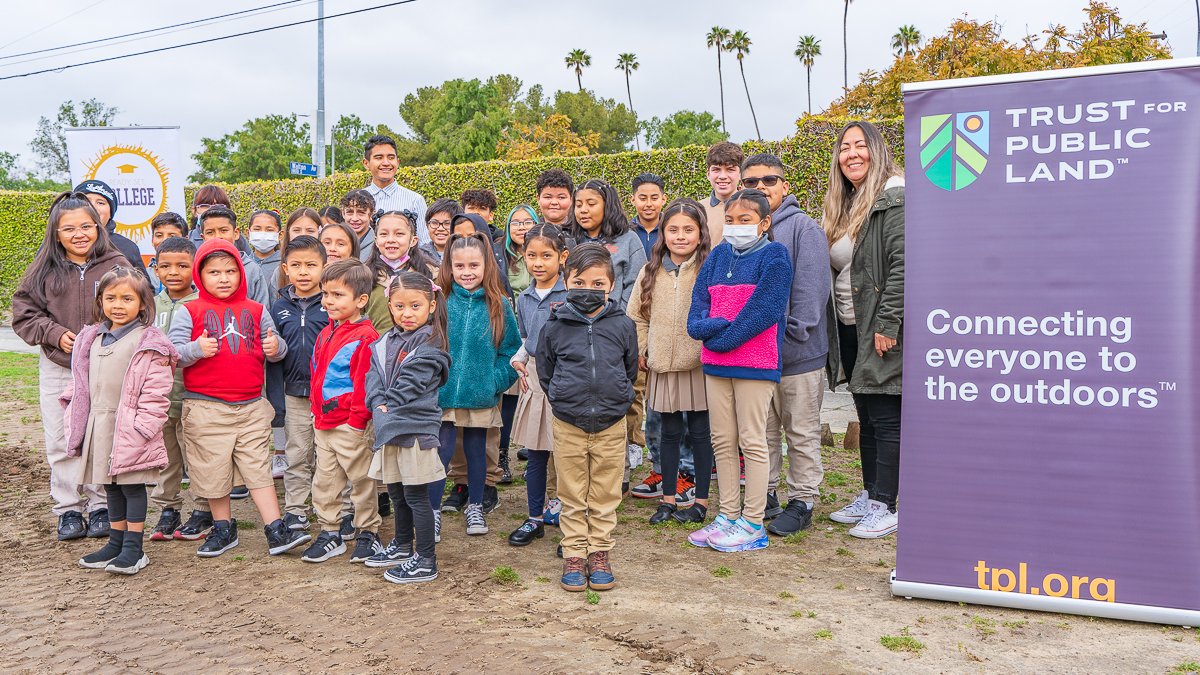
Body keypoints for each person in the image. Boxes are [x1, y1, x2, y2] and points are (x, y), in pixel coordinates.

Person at [167, 239, 310, 558]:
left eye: (230, 271)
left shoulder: (257, 310)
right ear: (199, 275)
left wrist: (277, 350)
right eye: (214, 271)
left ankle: (276, 529)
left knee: (258, 468)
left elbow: (275, 347)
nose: (223, 277)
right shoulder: (188, 311)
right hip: (205, 408)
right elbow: (174, 353)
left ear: (241, 274)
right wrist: (196, 350)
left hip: (251, 407)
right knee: (212, 470)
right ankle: (223, 528)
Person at [12, 192, 132, 541]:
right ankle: (67, 508)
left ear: (98, 226)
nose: (79, 234)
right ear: (56, 233)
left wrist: (112, 335)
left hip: (106, 365)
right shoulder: (44, 269)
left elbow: (137, 306)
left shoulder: (116, 263)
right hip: (58, 367)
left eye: (86, 225)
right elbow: (24, 314)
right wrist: (53, 334)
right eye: (69, 229)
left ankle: (99, 506)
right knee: (62, 437)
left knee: (100, 434)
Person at [686, 189, 792, 553]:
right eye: (730, 220)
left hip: (755, 363)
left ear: (763, 223)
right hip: (716, 364)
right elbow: (696, 312)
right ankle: (728, 515)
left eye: (744, 220)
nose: (735, 226)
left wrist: (721, 335)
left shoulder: (775, 256)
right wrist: (711, 331)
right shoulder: (717, 256)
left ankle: (752, 522)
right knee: (722, 440)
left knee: (752, 440)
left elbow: (764, 311)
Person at [737, 153, 831, 537]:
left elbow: (811, 291)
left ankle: (803, 499)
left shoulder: (804, 229)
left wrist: (792, 336)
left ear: (784, 186)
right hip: (756, 356)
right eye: (752, 182)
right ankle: (768, 492)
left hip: (797, 353)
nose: (761, 187)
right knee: (763, 431)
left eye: (769, 180)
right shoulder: (743, 231)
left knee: (801, 431)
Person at [538, 243, 638, 592]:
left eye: (598, 284)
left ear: (611, 286)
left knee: (606, 492)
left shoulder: (623, 325)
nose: (589, 289)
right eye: (580, 282)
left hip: (611, 423)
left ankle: (599, 550)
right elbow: (546, 371)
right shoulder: (555, 326)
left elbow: (629, 368)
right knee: (572, 490)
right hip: (569, 422)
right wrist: (564, 399)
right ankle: (574, 552)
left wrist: (618, 401)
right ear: (567, 281)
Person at [822, 121, 904, 539]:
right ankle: (873, 494)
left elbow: (903, 267)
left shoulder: (894, 196)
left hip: (880, 327)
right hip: (851, 325)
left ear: (876, 149)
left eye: (860, 145)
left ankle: (889, 504)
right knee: (867, 416)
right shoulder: (849, 202)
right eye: (844, 147)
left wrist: (889, 323)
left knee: (887, 416)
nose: (851, 154)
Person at [66, 267, 177, 575]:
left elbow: (157, 391)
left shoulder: (149, 342)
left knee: (131, 487)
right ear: (100, 300)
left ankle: (134, 548)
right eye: (110, 297)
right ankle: (115, 542)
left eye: (127, 298)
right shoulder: (93, 339)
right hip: (100, 426)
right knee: (110, 488)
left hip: (132, 429)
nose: (117, 304)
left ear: (143, 303)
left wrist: (144, 427)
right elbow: (79, 381)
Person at [628, 199, 714, 524]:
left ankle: (701, 502)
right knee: (668, 432)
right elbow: (636, 315)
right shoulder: (650, 271)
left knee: (702, 433)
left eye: (688, 229)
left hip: (698, 365)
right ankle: (667, 501)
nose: (680, 236)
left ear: (700, 232)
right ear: (663, 233)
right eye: (673, 229)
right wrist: (644, 350)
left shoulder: (709, 267)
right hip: (662, 366)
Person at [364, 272, 451, 584]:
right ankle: (402, 545)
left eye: (415, 306)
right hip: (390, 428)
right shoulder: (385, 341)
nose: (407, 313)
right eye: (399, 306)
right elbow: (372, 376)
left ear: (430, 305)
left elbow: (412, 381)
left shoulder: (431, 341)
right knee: (397, 493)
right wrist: (377, 402)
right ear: (389, 306)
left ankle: (426, 559)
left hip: (415, 430)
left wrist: (388, 404)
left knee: (416, 497)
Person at [432, 233, 520, 537]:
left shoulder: (499, 305)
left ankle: (476, 506)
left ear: (486, 266)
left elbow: (511, 350)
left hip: (480, 395)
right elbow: (427, 344)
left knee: (477, 450)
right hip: (441, 395)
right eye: (459, 266)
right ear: (450, 267)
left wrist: (493, 380)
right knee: (439, 451)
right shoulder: (440, 303)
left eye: (474, 265)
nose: (467, 272)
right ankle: (431, 512)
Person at [301, 259, 384, 563]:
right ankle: (330, 532)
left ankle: (368, 533)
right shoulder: (326, 333)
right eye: (325, 294)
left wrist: (356, 422)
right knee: (325, 481)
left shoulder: (366, 337)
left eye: (338, 295)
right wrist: (315, 412)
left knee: (361, 481)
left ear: (361, 300)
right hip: (323, 422)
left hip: (351, 425)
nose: (328, 301)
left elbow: (365, 384)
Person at [568, 179, 649, 491]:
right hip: (574, 331)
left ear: (607, 204)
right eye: (580, 204)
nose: (584, 209)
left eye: (591, 203)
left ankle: (621, 470)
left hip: (613, 330)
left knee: (619, 396)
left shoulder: (627, 240)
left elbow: (637, 285)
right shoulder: (568, 239)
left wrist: (615, 318)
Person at [507, 223, 569, 546]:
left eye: (547, 255)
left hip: (565, 376)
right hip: (534, 377)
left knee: (566, 451)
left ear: (562, 257)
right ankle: (535, 517)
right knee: (536, 452)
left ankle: (570, 519)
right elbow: (526, 335)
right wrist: (518, 356)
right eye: (532, 255)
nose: (538, 262)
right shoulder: (526, 297)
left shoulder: (570, 294)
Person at [271, 236, 331, 532]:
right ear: (285, 268)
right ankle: (295, 509)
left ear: (324, 266)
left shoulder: (332, 303)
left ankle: (332, 508)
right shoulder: (278, 307)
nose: (303, 272)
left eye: (311, 265)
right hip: (294, 392)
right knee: (297, 453)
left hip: (328, 394)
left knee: (328, 455)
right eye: (296, 265)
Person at [148, 237, 205, 541]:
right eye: (166, 266)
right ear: (155, 270)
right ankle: (168, 508)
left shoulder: (200, 306)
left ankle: (203, 508)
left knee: (195, 455)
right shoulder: (149, 306)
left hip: (192, 396)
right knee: (166, 457)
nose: (174, 272)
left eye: (183, 266)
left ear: (195, 269)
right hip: (158, 399)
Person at [496, 204, 538, 483]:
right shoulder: (501, 256)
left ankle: (534, 454)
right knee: (509, 399)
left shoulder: (539, 254)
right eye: (516, 223)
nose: (521, 228)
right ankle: (501, 455)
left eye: (527, 222)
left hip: (536, 328)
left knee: (535, 396)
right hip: (510, 330)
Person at [364, 210, 437, 332]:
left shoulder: (431, 274)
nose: (391, 239)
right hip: (376, 346)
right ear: (376, 241)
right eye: (384, 234)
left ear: (413, 240)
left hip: (420, 345)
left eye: (399, 234)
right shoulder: (364, 275)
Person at [73, 179, 150, 279]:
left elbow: (145, 290)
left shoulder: (127, 248)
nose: (93, 207)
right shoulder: (56, 245)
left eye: (100, 203)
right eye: (86, 201)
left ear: (110, 214)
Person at [197, 206, 271, 308]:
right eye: (210, 232)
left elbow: (262, 310)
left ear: (236, 233)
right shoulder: (198, 269)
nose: (218, 236)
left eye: (223, 230)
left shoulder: (252, 269)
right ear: (203, 237)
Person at [362, 135, 430, 244]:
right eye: (379, 157)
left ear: (398, 162)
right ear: (366, 163)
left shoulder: (415, 200)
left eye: (391, 157)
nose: (386, 163)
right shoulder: (357, 200)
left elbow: (425, 244)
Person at [702, 142, 745, 244]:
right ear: (708, 174)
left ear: (740, 174)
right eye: (716, 170)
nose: (722, 176)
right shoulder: (698, 209)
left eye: (730, 170)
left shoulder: (752, 207)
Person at [245, 209, 284, 297]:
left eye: (269, 230)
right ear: (248, 233)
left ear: (280, 235)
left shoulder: (285, 264)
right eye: (257, 229)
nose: (263, 234)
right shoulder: (243, 264)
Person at [147, 212, 187, 293]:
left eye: (172, 236)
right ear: (152, 240)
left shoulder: (195, 274)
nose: (164, 240)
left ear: (186, 240)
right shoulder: (144, 275)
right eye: (159, 235)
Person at [629, 173, 666, 258]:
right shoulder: (625, 232)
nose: (649, 204)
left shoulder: (671, 230)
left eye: (654, 198)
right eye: (643, 199)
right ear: (633, 200)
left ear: (663, 199)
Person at [421, 198, 462, 265]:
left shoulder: (466, 252)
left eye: (447, 223)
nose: (440, 228)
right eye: (434, 223)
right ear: (427, 225)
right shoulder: (419, 255)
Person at [341, 190, 377, 261]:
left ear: (372, 214)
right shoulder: (334, 243)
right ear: (343, 213)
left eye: (361, 212)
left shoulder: (378, 246)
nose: (354, 218)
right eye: (350, 212)